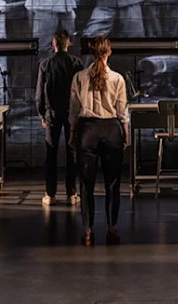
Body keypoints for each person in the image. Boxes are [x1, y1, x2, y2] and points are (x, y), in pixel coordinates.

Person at [69, 36, 128, 245]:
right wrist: (126, 135)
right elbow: (122, 112)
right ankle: (112, 228)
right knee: (113, 183)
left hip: (87, 131)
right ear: (109, 52)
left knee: (86, 185)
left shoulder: (79, 77)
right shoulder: (118, 78)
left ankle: (88, 230)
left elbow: (74, 110)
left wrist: (72, 134)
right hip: (111, 130)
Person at [36, 30, 85, 206]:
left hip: (52, 114)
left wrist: (42, 114)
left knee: (51, 153)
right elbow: (81, 91)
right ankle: (72, 194)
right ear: (68, 43)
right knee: (72, 152)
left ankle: (50, 194)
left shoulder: (45, 64)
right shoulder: (76, 63)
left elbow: (39, 94)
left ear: (53, 44)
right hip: (72, 114)